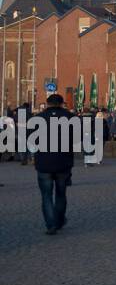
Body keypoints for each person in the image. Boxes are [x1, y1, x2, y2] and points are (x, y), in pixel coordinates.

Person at [32, 94, 75, 234]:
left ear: (47, 104)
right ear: (62, 103)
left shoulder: (37, 118)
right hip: (63, 162)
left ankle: (51, 224)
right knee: (61, 194)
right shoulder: (71, 118)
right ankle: (59, 220)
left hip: (44, 162)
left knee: (46, 195)